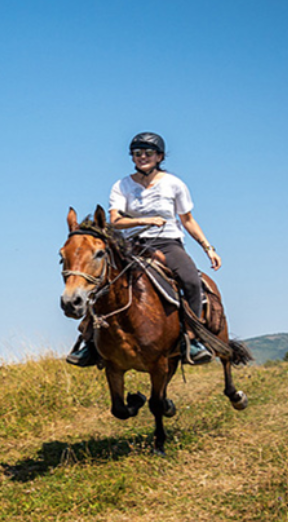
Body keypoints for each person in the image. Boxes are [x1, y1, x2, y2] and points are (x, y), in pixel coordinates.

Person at [67, 131, 221, 366]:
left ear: (159, 156)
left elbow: (188, 220)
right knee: (103, 280)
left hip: (168, 243)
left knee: (190, 279)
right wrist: (144, 221)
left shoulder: (174, 184)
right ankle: (88, 340)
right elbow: (116, 220)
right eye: (137, 153)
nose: (142, 157)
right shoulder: (122, 185)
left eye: (148, 153)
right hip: (132, 244)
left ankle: (193, 338)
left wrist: (208, 247)